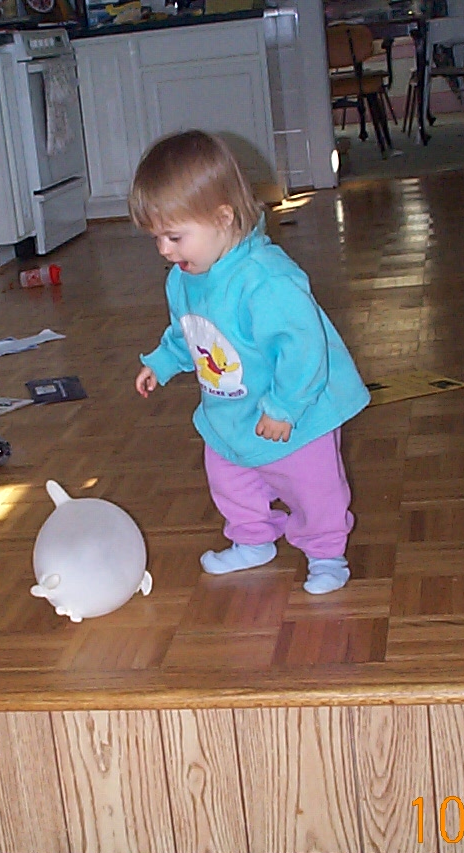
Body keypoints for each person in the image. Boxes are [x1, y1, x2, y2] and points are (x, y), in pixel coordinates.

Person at [131, 130, 371, 595]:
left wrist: (285, 407)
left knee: (313, 486)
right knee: (229, 476)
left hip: (299, 409)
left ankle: (326, 552)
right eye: (156, 237)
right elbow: (189, 332)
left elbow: (303, 348)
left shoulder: (265, 279)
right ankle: (252, 539)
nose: (164, 250)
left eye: (175, 236)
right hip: (233, 410)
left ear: (223, 218)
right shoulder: (184, 278)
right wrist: (161, 362)